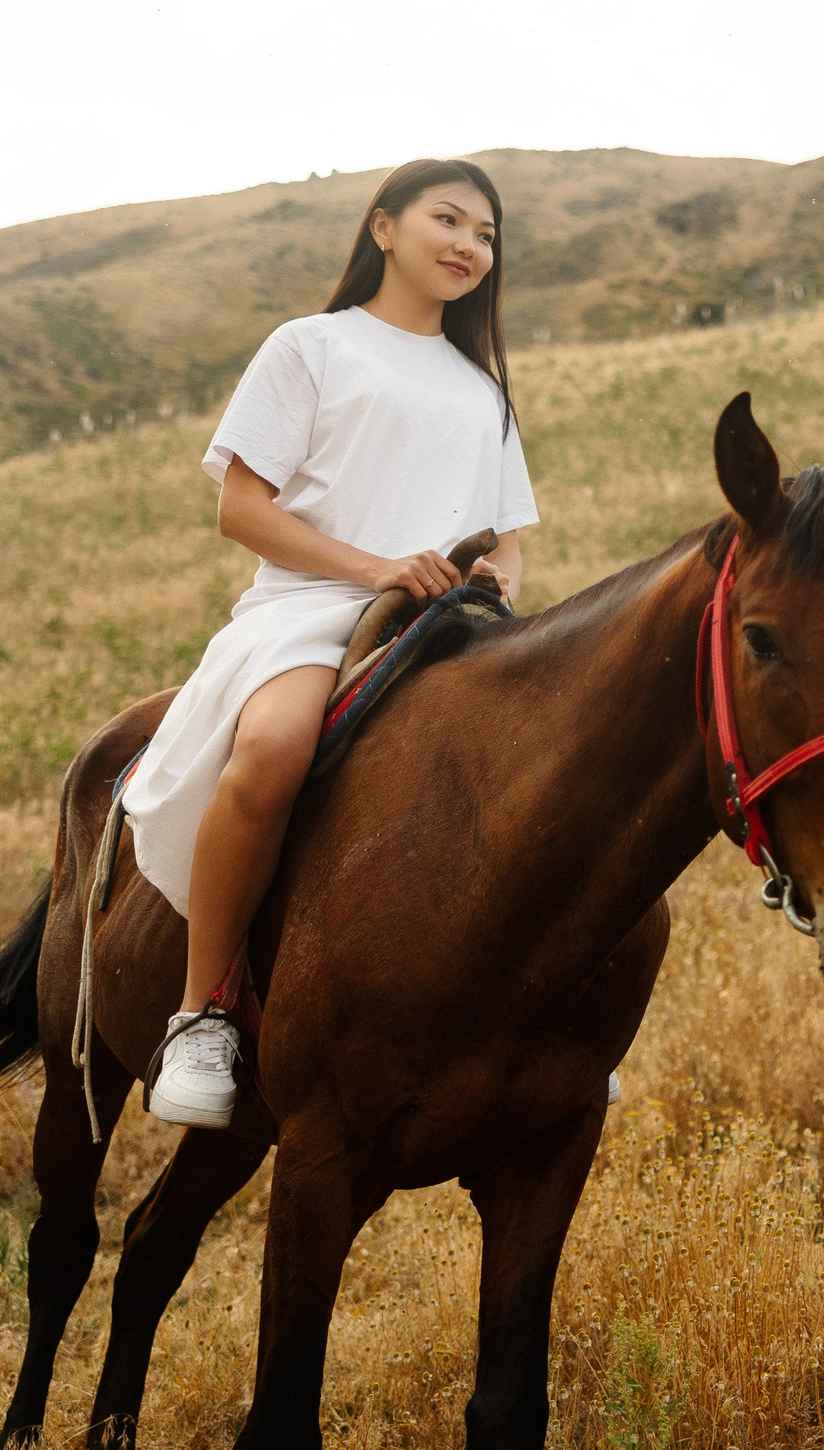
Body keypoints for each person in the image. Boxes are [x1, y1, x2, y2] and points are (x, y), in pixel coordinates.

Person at [121, 159, 538, 1128]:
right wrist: (373, 570)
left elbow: (508, 537)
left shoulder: (484, 390)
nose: (470, 246)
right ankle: (201, 1015)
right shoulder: (310, 348)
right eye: (449, 220)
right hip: (310, 609)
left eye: (486, 235)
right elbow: (240, 510)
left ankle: (540, 1014)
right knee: (270, 751)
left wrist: (495, 586)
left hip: (448, 626)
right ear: (382, 228)